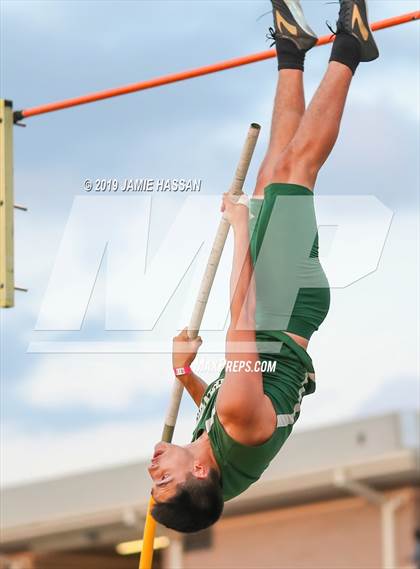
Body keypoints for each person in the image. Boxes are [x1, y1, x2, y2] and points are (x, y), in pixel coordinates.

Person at [149, 0, 379, 533]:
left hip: (276, 309)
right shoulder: (237, 425)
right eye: (163, 481)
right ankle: (351, 46)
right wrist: (239, 230)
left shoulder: (224, 447)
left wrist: (185, 373)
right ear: (198, 473)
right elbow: (240, 315)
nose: (153, 469)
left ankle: (292, 52)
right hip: (279, 301)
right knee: (297, 169)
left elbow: (227, 395)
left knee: (274, 169)